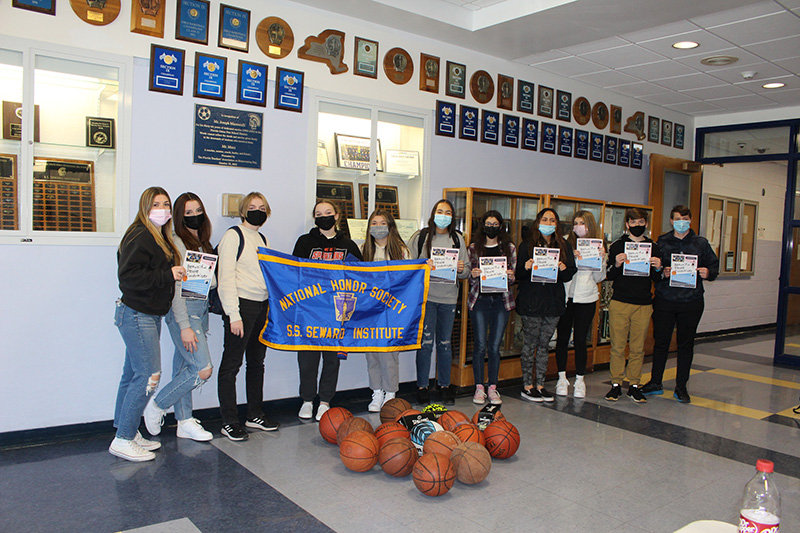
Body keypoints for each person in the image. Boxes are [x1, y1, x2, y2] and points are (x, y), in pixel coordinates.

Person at [111, 187, 185, 462]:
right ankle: (123, 439)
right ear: (145, 207)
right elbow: (129, 277)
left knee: (132, 375)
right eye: (157, 204)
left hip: (146, 315)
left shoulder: (158, 236)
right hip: (137, 314)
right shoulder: (141, 235)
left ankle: (126, 431)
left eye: (166, 204)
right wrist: (168, 274)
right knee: (148, 375)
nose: (163, 209)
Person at [143, 193, 215, 442]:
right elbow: (177, 289)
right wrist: (185, 325)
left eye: (198, 211)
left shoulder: (202, 242)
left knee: (184, 367)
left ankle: (184, 420)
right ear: (178, 216)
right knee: (202, 369)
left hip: (200, 311)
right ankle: (158, 405)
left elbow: (205, 284)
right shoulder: (176, 242)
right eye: (188, 213)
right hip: (184, 313)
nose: (195, 217)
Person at [217, 192, 279, 442]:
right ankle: (229, 421)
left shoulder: (261, 238)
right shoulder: (233, 235)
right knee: (231, 365)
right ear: (243, 211)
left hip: (261, 305)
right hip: (241, 307)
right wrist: (233, 314)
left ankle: (254, 413)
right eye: (252, 207)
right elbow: (225, 276)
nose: (257, 210)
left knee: (256, 362)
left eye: (262, 207)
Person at [292, 200, 362, 421]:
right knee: (307, 357)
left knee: (332, 358)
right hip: (310, 308)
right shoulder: (305, 242)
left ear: (337, 216)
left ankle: (324, 401)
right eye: (318, 213)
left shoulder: (348, 245)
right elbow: (294, 272)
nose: (323, 216)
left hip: (339, 309)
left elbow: (361, 276)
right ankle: (306, 400)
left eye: (328, 212)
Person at [643, 205, 719, 403]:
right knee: (661, 343)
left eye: (684, 218)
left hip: (691, 301)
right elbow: (653, 271)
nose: (681, 222)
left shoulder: (701, 243)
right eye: (677, 218)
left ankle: (681, 386)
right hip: (665, 300)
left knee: (686, 344)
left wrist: (708, 273)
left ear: (690, 220)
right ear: (671, 221)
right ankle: (655, 382)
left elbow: (714, 266)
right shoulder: (662, 242)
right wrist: (662, 271)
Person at [409, 199, 468, 406]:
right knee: (424, 344)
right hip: (426, 299)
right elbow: (408, 266)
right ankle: (422, 386)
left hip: (449, 299)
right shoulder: (421, 237)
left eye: (448, 212)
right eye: (440, 211)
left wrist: (461, 269)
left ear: (452, 217)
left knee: (444, 344)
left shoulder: (458, 239)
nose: (444, 215)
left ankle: (444, 385)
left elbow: (467, 271)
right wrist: (422, 265)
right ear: (434, 213)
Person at [516, 207, 576, 403]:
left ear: (557, 224)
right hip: (531, 302)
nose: (548, 224)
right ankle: (527, 384)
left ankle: (540, 384)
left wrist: (564, 268)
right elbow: (518, 275)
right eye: (545, 219)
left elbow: (569, 273)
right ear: (538, 222)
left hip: (553, 303)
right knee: (530, 344)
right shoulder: (526, 245)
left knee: (544, 345)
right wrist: (525, 267)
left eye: (552, 220)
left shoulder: (563, 246)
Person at [604, 208, 662, 403]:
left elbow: (657, 278)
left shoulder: (653, 246)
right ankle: (615, 384)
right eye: (634, 222)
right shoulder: (618, 245)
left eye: (641, 222)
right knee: (618, 346)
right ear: (627, 224)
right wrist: (617, 265)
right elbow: (609, 274)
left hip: (643, 304)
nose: (638, 226)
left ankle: (634, 385)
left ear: (646, 224)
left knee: (638, 347)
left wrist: (658, 267)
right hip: (620, 301)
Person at [361, 209, 410, 412]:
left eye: (382, 223)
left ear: (390, 226)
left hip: (392, 310)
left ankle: (390, 392)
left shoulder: (402, 251)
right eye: (374, 223)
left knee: (389, 353)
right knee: (372, 353)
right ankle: (377, 391)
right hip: (370, 310)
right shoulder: (364, 249)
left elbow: (409, 279)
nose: (378, 227)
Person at [467, 210, 516, 405]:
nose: (492, 227)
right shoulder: (474, 248)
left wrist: (512, 276)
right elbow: (470, 278)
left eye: (495, 224)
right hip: (479, 300)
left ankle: (493, 388)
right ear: (482, 225)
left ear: (501, 226)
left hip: (501, 301)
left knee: (495, 346)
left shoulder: (509, 247)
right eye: (488, 223)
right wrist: (474, 274)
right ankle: (479, 387)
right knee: (479, 345)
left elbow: (514, 274)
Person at [555, 211, 606, 398]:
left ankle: (580, 380)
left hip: (587, 298)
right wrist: (571, 259)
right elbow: (560, 272)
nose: (578, 226)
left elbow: (600, 277)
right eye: (575, 223)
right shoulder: (565, 244)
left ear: (589, 225)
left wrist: (601, 260)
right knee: (562, 338)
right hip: (566, 297)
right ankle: (562, 378)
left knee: (580, 340)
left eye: (582, 223)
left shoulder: (598, 246)